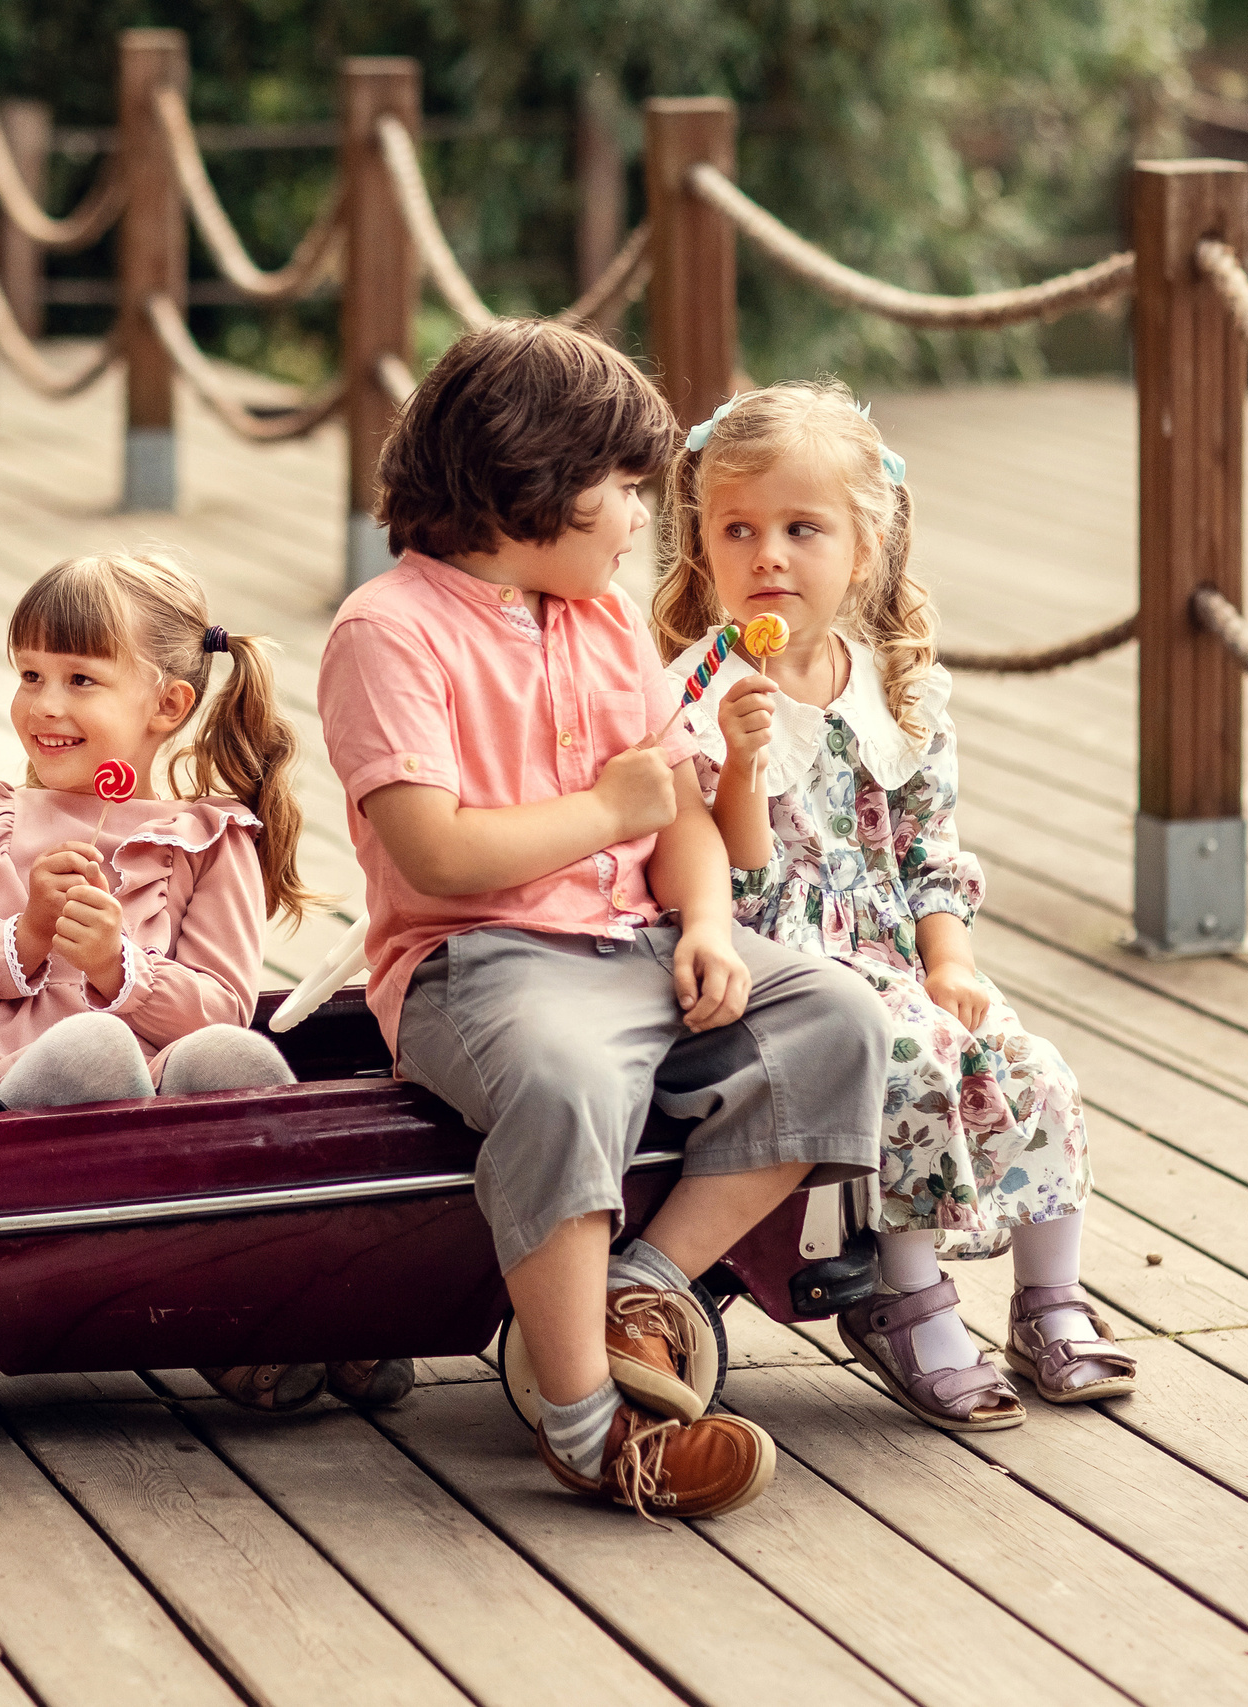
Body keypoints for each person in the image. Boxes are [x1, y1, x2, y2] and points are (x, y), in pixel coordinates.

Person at [316, 319, 887, 1517]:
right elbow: (436, 852)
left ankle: (642, 1286)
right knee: (568, 1078)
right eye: (623, 489)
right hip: (478, 965)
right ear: (528, 487)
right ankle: (586, 1429)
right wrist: (600, 809)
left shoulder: (606, 620)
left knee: (836, 1015)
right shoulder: (387, 631)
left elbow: (676, 804)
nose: (641, 520)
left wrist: (708, 927)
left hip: (632, 941)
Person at [654, 379, 1135, 1431]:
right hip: (784, 961)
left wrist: (950, 960)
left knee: (1032, 1065)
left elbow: (927, 849)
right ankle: (907, 1301)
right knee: (909, 1060)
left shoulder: (896, 686)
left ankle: (1049, 1300)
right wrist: (735, 764)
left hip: (895, 951)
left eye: (799, 529)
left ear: (860, 553)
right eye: (738, 529)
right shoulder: (698, 690)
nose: (767, 555)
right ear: (704, 549)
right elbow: (725, 876)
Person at [0, 549, 408, 1411]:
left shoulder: (209, 839)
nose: (44, 705)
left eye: (82, 679)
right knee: (92, 1045)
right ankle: (228, 1320)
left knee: (229, 1057)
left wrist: (114, 967)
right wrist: (21, 939)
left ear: (166, 704)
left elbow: (224, 1004)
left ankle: (300, 1300)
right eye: (30, 673)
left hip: (167, 1136)